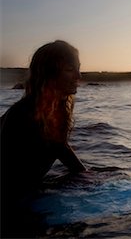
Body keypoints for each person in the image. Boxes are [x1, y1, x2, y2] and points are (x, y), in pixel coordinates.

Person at [1, 40, 86, 237]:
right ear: (49, 73)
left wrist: (86, 175)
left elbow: (59, 145)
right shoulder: (20, 115)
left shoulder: (61, 107)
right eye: (70, 69)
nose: (79, 76)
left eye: (79, 69)